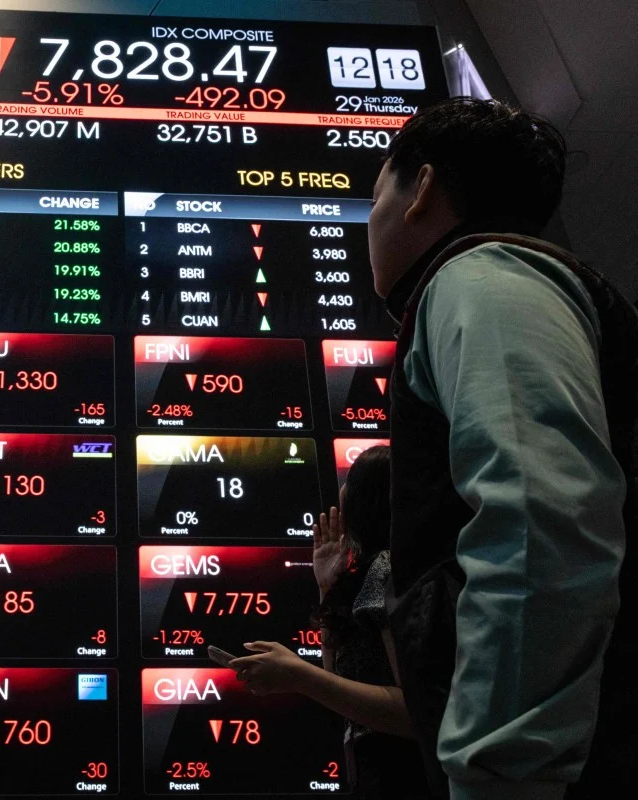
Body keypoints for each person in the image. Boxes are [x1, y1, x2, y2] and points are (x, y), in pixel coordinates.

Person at [367, 97, 638, 798]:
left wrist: (503, 771)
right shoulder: (508, 284)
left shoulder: (481, 282)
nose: (370, 222)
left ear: (421, 189)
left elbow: (541, 523)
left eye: (375, 195)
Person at [229, 445, 430, 798]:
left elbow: (416, 713)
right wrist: (327, 589)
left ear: (362, 497)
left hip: (404, 775)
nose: (341, 491)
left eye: (349, 480)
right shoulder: (373, 570)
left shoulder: (385, 570)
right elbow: (338, 679)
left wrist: (299, 675)